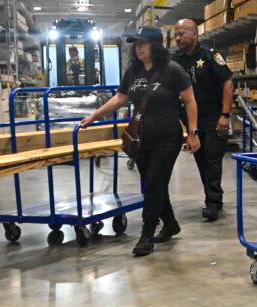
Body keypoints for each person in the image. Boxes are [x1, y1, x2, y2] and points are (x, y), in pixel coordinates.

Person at [80, 27, 200, 257]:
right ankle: (171, 223)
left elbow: (190, 100)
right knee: (153, 182)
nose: (137, 48)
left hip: (167, 137)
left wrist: (193, 132)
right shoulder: (133, 71)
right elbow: (121, 98)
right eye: (135, 44)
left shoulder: (172, 70)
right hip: (142, 138)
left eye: (142, 44)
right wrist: (95, 116)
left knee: (154, 182)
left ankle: (147, 235)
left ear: (154, 46)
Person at [172, 18, 234, 221]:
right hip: (192, 122)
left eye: (182, 33)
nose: (178, 37)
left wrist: (225, 115)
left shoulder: (210, 55)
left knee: (212, 160)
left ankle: (213, 203)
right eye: (176, 34)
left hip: (213, 118)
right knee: (201, 160)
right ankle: (213, 198)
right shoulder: (176, 60)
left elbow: (227, 82)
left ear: (195, 34)